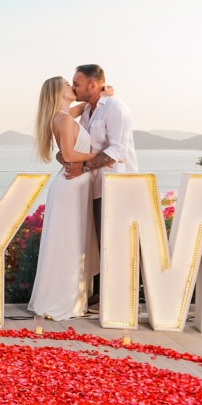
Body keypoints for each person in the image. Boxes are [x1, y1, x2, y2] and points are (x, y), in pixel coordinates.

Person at [28, 76, 103, 320]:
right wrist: (103, 154)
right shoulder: (64, 120)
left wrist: (104, 91)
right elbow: (69, 154)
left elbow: (82, 106)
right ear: (57, 92)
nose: (71, 86)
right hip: (72, 187)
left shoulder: (62, 116)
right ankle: (63, 299)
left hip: (73, 186)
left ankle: (64, 296)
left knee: (69, 242)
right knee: (69, 243)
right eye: (65, 84)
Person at [64, 64, 138, 310]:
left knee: (113, 239)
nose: (74, 87)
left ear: (92, 85)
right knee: (97, 240)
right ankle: (100, 293)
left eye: (77, 83)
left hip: (113, 186)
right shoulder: (87, 110)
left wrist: (83, 166)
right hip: (92, 186)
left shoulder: (116, 109)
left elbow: (117, 151)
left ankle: (119, 298)